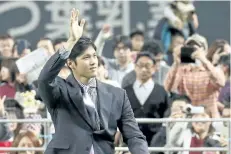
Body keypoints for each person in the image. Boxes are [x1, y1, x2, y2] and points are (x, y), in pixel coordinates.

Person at [38, 8, 148, 154]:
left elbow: (134, 135)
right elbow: (44, 79)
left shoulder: (117, 95)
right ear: (71, 63)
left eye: (94, 56)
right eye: (86, 58)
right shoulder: (59, 90)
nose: (93, 62)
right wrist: (70, 42)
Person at [164, 34, 225, 118]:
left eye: (196, 48)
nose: (193, 51)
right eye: (189, 48)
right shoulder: (181, 70)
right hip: (187, 117)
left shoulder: (213, 69)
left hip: (209, 117)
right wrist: (176, 63)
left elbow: (221, 82)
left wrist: (203, 60)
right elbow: (167, 88)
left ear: (205, 51)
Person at [124, 52, 169, 145]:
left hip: (156, 142)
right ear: (135, 67)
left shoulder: (161, 91)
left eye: (147, 66)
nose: (143, 69)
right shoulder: (125, 91)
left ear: (154, 68)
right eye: (140, 65)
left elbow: (166, 113)